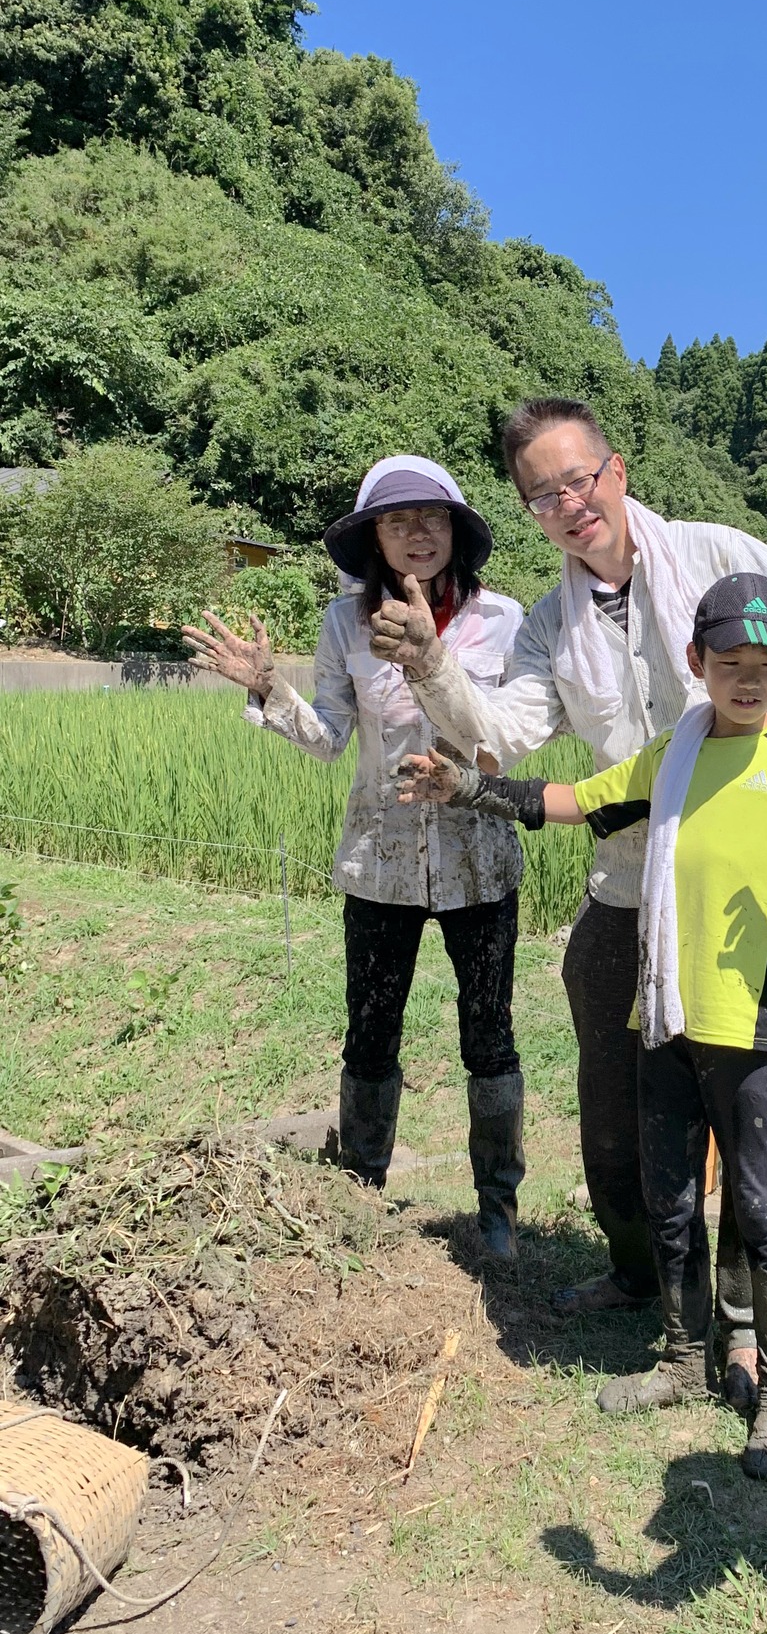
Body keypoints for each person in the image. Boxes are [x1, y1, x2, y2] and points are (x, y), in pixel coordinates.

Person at [367, 396, 767, 1374]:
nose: (567, 502)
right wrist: (434, 665)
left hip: (730, 897)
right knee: (612, 1125)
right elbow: (503, 733)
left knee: (733, 1129)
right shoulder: (553, 622)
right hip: (621, 891)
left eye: (578, 478)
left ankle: (736, 1329)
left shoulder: (717, 555)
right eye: (542, 492)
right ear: (528, 510)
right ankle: (640, 1274)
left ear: (618, 469)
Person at [398, 573, 767, 1480]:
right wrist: (466, 792)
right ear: (696, 663)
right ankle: (680, 1358)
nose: (749, 681)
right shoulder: (674, 752)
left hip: (752, 1030)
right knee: (671, 1196)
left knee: (762, 1211)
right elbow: (578, 799)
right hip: (664, 1016)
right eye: (730, 664)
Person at [182, 457, 528, 1261]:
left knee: (491, 1036)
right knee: (371, 1032)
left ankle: (497, 1211)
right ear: (374, 536)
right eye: (399, 520)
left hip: (479, 854)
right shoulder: (346, 623)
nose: (418, 533)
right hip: (381, 861)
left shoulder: (501, 621)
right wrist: (271, 688)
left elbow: (510, 739)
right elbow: (330, 738)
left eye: (433, 519)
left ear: (457, 533)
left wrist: (465, 759)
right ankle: (361, 1195)